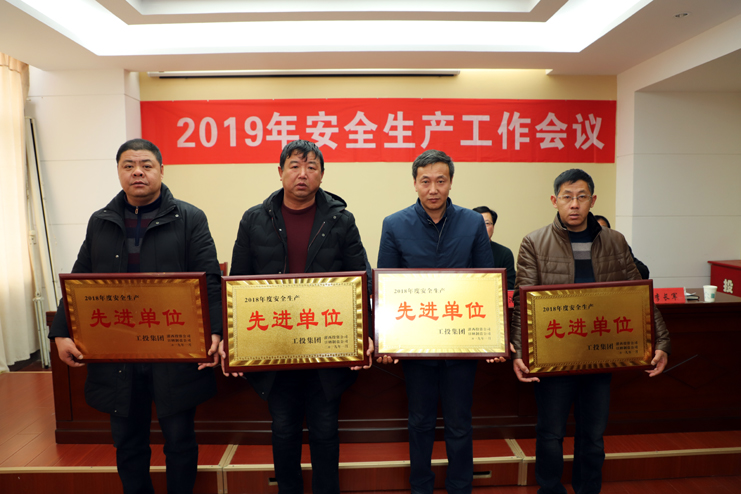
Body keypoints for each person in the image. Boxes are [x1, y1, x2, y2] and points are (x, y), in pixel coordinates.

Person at [49, 138, 223, 494]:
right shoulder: (101, 221)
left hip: (173, 348)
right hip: (118, 350)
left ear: (161, 170)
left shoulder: (190, 218)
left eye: (146, 165)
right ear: (118, 172)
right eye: (128, 166)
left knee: (179, 439)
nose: (138, 172)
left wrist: (216, 332)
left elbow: (209, 279)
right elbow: (80, 281)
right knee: (127, 441)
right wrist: (60, 332)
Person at [224, 140, 372, 494]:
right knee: (283, 428)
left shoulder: (341, 220)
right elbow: (238, 283)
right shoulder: (254, 219)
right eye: (294, 166)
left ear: (322, 174)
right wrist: (234, 341)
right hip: (275, 345)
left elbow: (361, 279)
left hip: (328, 344)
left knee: (325, 429)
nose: (302, 174)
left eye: (311, 167)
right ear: (280, 172)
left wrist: (365, 333)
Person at [510, 169, 670, 494]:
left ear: (592, 200)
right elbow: (522, 301)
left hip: (600, 354)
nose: (575, 204)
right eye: (567, 197)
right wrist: (519, 352)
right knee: (551, 434)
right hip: (554, 357)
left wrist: (661, 341)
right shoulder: (534, 242)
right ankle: (550, 489)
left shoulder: (615, 241)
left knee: (593, 435)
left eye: (582, 197)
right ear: (554, 200)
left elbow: (638, 293)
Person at [377, 149, 504, 494]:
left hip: (461, 341)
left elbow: (486, 280)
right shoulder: (394, 224)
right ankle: (421, 487)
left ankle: (460, 487)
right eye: (425, 181)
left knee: (460, 422)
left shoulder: (472, 222)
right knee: (419, 422)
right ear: (415, 183)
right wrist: (384, 340)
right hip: (415, 343)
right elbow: (385, 286)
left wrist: (494, 338)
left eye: (440, 181)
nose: (433, 189)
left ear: (450, 182)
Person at [593, 214, 650, 280]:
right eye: (597, 229)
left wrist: (620, 269)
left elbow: (643, 271)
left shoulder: (619, 246)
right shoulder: (587, 249)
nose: (600, 233)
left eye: (604, 229)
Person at [472, 206, 516, 289]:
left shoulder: (504, 253)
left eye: (487, 223)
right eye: (477, 223)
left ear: (493, 227)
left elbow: (509, 287)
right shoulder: (462, 251)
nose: (482, 227)